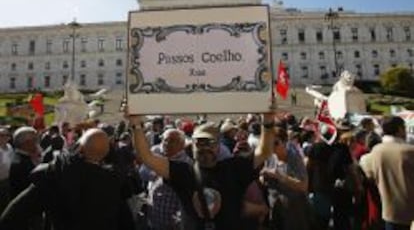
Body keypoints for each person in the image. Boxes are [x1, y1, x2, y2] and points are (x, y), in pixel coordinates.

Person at [126, 109, 279, 230]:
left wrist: (268, 120)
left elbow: (264, 151)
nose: (205, 147)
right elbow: (146, 156)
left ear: (218, 146)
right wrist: (135, 124)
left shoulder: (234, 168)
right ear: (192, 146)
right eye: (199, 143)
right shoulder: (183, 172)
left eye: (210, 142)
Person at [0, 128, 133, 230]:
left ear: (79, 147)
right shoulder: (114, 181)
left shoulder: (56, 174)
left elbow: (12, 215)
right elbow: (126, 222)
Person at [360, 116, 414, 230]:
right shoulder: (409, 151)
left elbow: (369, 175)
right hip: (410, 211)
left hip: (389, 211)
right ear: (400, 129)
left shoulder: (376, 151)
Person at [0, 127, 13, 214]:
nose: (3, 137)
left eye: (5, 135)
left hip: (8, 180)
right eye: (1, 135)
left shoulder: (9, 147)